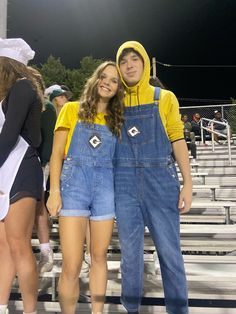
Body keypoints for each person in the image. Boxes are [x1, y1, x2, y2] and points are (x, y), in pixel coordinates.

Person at [114, 41, 192, 314]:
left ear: (145, 63)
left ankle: (179, 310)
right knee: (130, 256)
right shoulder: (114, 102)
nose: (130, 65)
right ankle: (131, 308)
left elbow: (177, 138)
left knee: (170, 254)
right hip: (123, 184)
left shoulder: (164, 97)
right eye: (124, 62)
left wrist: (188, 184)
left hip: (161, 181)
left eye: (135, 59)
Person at [46, 61, 124, 314]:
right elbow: (57, 154)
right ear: (95, 79)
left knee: (100, 258)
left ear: (118, 89)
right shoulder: (70, 109)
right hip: (73, 187)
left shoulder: (117, 120)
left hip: (105, 190)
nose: (107, 83)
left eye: (114, 80)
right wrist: (54, 191)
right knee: (71, 264)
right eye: (104, 77)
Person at [0, 38, 43, 314]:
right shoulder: (9, 92)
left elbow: (10, 134)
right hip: (5, 168)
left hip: (21, 168)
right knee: (4, 245)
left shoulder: (23, 87)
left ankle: (30, 311)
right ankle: (1, 306)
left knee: (19, 245)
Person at [27, 69, 57, 273]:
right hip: (24, 162)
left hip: (37, 163)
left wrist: (42, 162)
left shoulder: (45, 106)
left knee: (37, 207)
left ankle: (46, 251)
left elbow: (48, 141)